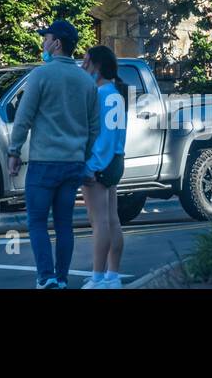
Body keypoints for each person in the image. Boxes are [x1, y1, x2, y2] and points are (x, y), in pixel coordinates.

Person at [7, 19, 100, 289]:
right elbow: (94, 127)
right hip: (73, 163)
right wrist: (85, 157)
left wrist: (14, 151)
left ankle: (45, 276)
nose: (43, 43)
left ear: (57, 44)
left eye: (46, 39)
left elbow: (24, 117)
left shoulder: (40, 75)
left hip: (44, 162)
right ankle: (61, 278)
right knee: (64, 224)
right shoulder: (87, 81)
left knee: (37, 222)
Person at [81, 44, 128, 289]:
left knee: (99, 222)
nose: (83, 66)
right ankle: (112, 275)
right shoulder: (117, 94)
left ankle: (97, 277)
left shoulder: (101, 95)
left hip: (101, 163)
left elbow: (103, 137)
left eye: (86, 61)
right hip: (116, 161)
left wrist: (92, 166)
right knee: (112, 220)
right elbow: (115, 136)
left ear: (97, 66)